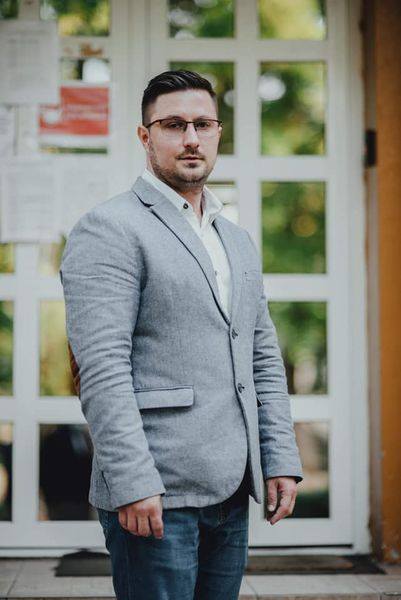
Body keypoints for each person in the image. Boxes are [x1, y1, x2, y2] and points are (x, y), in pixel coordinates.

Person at [60, 69, 303, 600]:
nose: (191, 138)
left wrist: (279, 457)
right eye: (173, 125)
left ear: (217, 133)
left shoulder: (234, 238)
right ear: (145, 136)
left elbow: (262, 356)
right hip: (155, 490)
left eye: (202, 124)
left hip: (232, 488)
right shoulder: (109, 228)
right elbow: (102, 368)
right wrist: (132, 481)